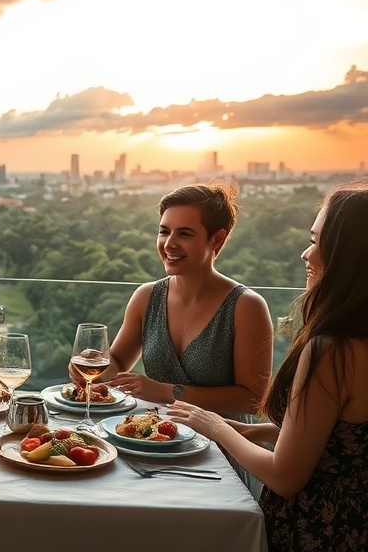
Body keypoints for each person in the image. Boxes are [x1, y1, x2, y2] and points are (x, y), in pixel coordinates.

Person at [168, 181, 368, 551]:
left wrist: (216, 428)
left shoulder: (332, 351)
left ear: (347, 254)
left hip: (319, 530)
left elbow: (286, 476)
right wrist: (250, 432)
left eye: (315, 240)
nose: (305, 255)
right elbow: (341, 447)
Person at [86, 183, 274, 416]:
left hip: (223, 443)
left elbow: (253, 400)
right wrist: (95, 365)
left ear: (217, 239)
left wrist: (168, 392)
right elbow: (116, 363)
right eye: (164, 231)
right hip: (154, 436)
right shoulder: (146, 297)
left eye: (184, 234)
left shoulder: (245, 306)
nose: (169, 244)